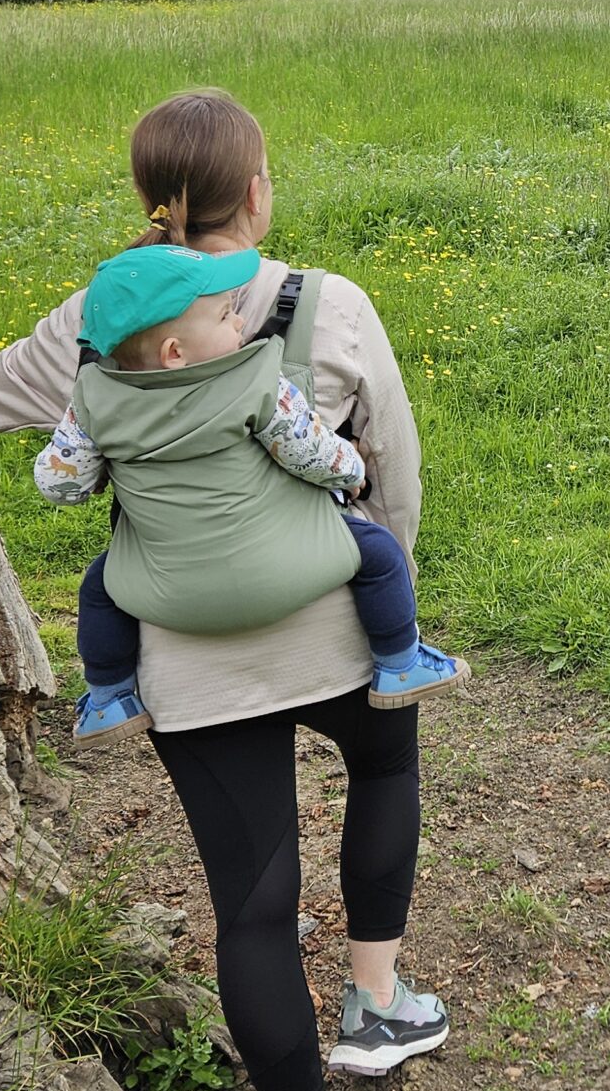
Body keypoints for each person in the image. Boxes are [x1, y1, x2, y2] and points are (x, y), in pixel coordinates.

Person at [0, 88, 446, 1091]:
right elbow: (391, 465)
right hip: (334, 627)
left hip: (188, 663)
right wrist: (385, 588)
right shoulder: (332, 304)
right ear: (257, 192)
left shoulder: (96, 323)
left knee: (251, 907)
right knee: (385, 775)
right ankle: (376, 1001)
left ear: (151, 206)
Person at [34, 242, 466, 745]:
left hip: (165, 597)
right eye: (224, 315)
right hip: (290, 574)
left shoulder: (92, 399)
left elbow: (61, 486)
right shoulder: (259, 380)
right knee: (379, 553)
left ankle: (109, 697)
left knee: (98, 588)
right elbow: (312, 454)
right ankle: (401, 663)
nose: (240, 322)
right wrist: (352, 469)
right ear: (176, 352)